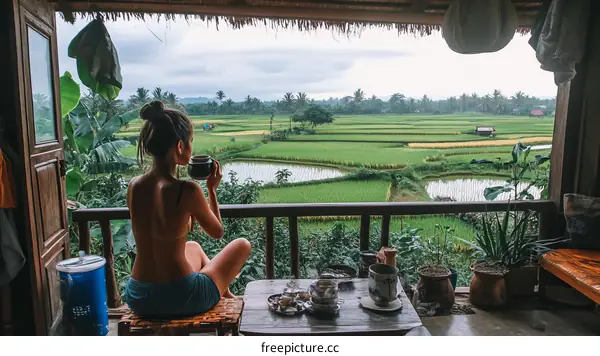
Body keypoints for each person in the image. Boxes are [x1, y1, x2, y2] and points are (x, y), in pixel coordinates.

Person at [124, 101, 251, 317]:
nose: (192, 147)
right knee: (242, 244)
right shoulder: (188, 190)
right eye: (190, 141)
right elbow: (217, 232)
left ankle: (226, 294)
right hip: (180, 297)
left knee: (192, 246)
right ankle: (222, 295)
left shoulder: (134, 186)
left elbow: (172, 228)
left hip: (138, 295)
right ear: (180, 147)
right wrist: (211, 190)